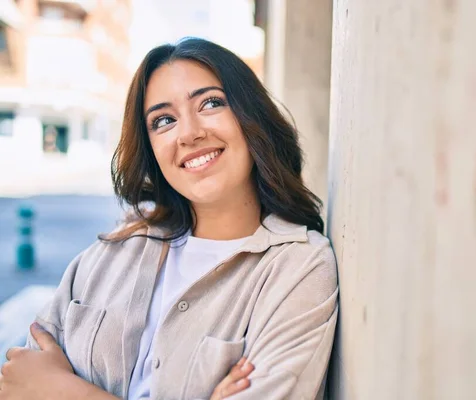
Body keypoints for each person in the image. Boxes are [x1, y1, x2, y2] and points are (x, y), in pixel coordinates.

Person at [0, 37, 338, 400]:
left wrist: (65, 391)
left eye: (210, 103)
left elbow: (41, 388)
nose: (189, 133)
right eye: (163, 120)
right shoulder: (114, 249)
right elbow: (20, 381)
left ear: (251, 117)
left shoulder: (299, 269)